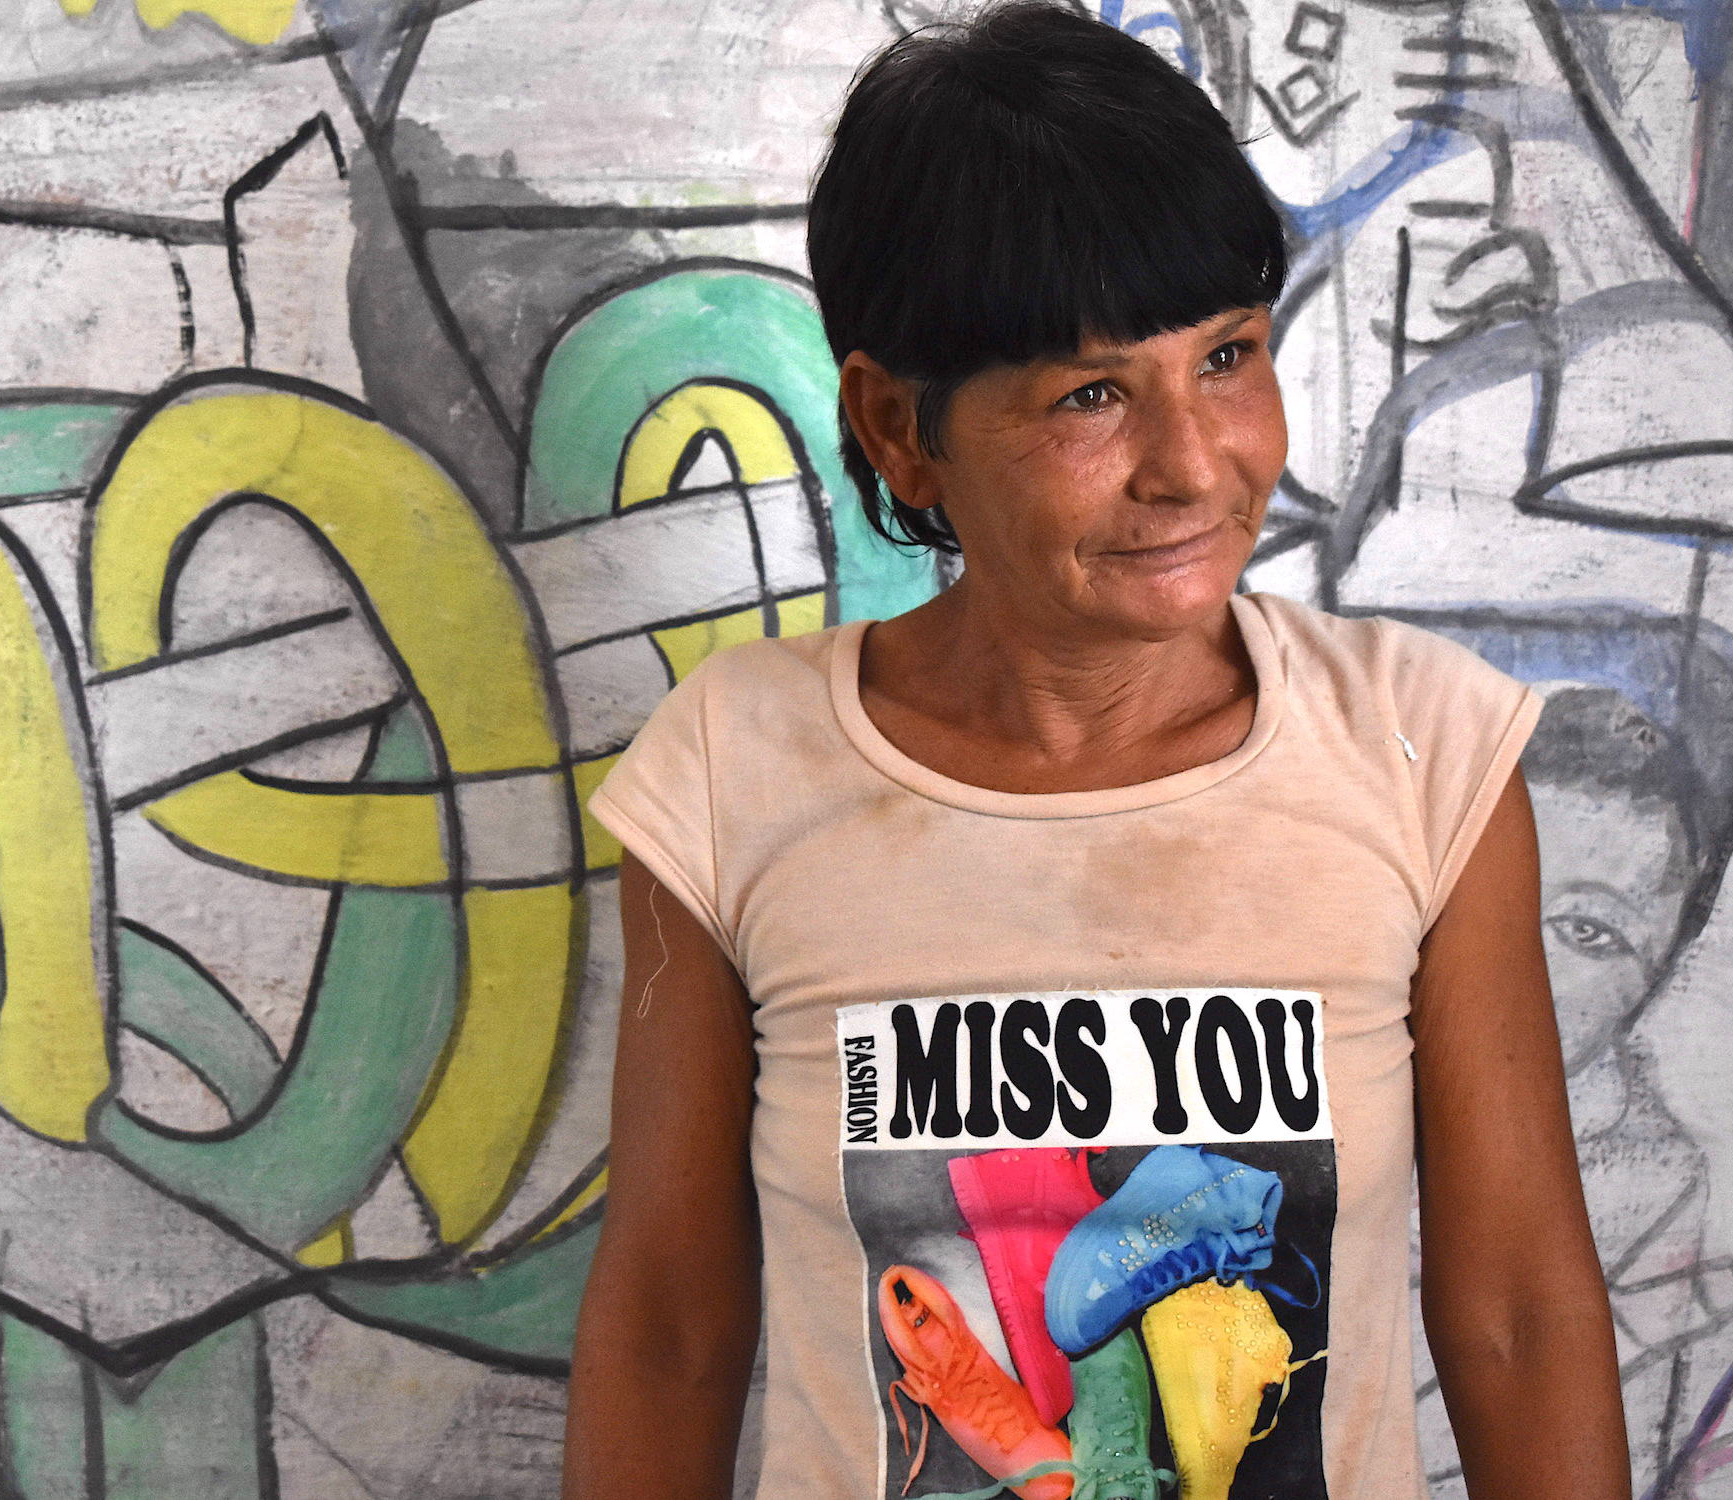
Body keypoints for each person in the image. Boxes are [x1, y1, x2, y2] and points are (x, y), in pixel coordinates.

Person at [560, 5, 1629, 1498]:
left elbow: (1518, 1316)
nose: (1193, 463)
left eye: (1228, 356)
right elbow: (671, 1329)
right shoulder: (733, 772)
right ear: (899, 426)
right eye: (1092, 394)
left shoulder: (1419, 751)